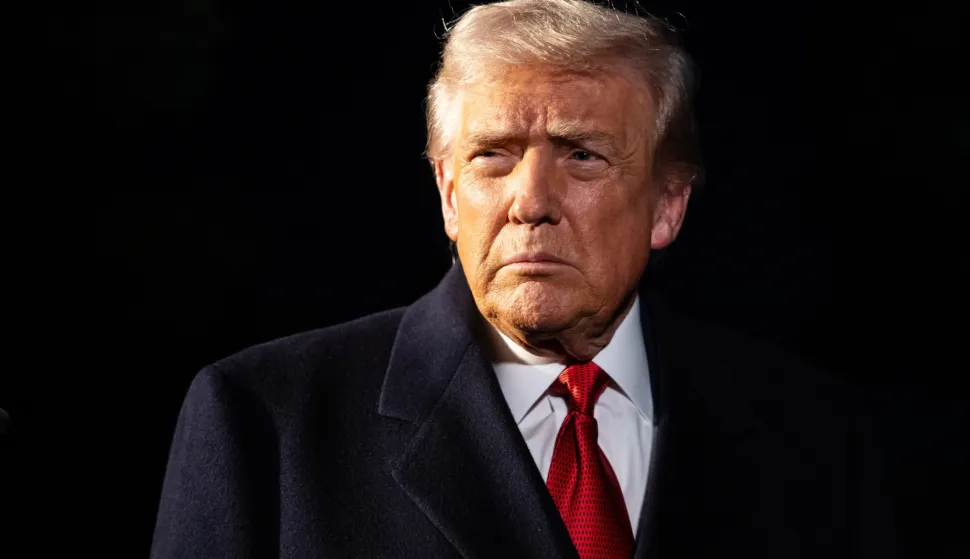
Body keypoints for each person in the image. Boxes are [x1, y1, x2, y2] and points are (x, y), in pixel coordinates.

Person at [151, 1, 899, 557]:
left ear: (668, 204)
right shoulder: (265, 422)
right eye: (492, 156)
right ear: (448, 194)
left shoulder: (815, 437)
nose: (531, 202)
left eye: (581, 155)